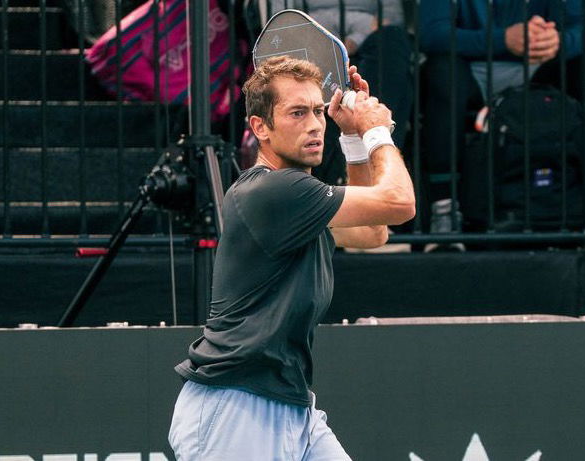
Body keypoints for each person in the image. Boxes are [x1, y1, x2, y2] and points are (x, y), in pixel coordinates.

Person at [168, 56, 415, 459]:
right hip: (234, 404)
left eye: (318, 111)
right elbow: (400, 202)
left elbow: (372, 233)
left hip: (291, 403)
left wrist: (352, 138)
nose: (316, 124)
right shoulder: (274, 192)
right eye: (297, 113)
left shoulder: (302, 199)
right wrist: (377, 133)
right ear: (259, 127)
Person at [418, 0, 585, 227]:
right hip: (469, 67)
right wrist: (503, 40)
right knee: (442, 72)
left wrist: (557, 42)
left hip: (541, 65)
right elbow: (431, 34)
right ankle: (444, 209)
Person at [261, 0, 414, 186]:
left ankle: (376, 147)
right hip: (311, 55)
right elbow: (284, 24)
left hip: (369, 49)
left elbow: (390, 20)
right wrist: (332, 48)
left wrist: (350, 41)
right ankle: (375, 150)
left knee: (392, 42)